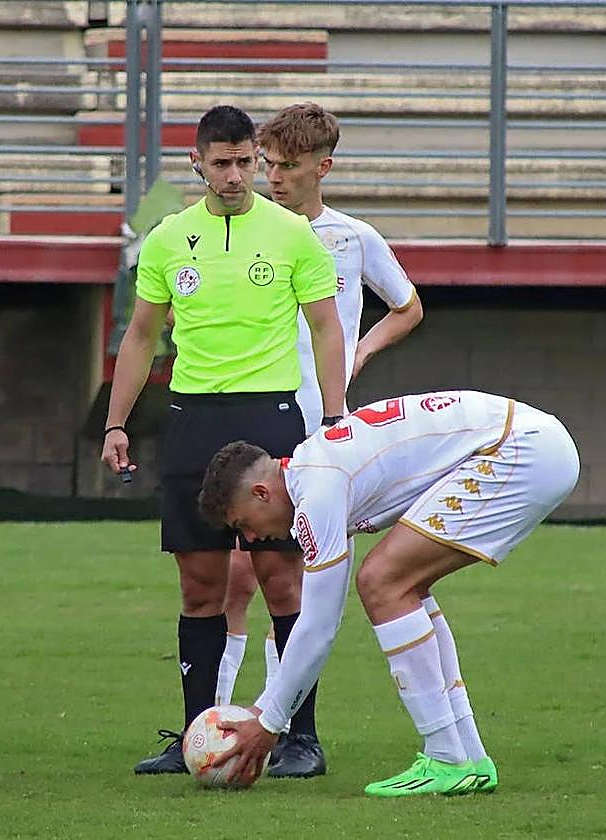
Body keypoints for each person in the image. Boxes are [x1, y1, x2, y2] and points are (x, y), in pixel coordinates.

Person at [100, 105, 346, 776]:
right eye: (222, 163)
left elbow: (326, 327)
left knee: (282, 582)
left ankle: (301, 738)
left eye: (245, 162)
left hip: (270, 418)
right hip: (192, 420)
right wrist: (117, 422)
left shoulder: (293, 234)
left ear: (257, 160)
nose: (235, 175)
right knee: (200, 587)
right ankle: (193, 737)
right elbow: (142, 336)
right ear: (198, 163)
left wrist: (333, 416)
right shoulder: (168, 238)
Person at [197, 390, 580, 796]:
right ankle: (469, 756)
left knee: (382, 580)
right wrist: (266, 712)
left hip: (519, 449)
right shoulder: (314, 470)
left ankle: (446, 757)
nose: (250, 538)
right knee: (402, 583)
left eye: (243, 524)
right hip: (531, 440)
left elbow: (319, 624)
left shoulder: (317, 492)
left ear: (261, 493)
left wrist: (268, 721)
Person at [214, 103, 424, 777]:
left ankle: (293, 733)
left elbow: (408, 306)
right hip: (254, 416)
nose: (274, 177)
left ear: (322, 168)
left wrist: (358, 354)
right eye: (268, 164)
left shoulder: (352, 238)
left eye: (289, 166)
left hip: (320, 432)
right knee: (234, 580)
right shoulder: (247, 230)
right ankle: (218, 722)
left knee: (290, 583)